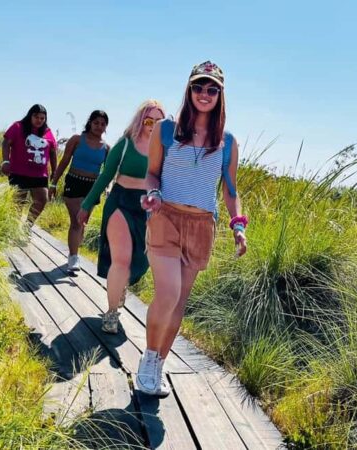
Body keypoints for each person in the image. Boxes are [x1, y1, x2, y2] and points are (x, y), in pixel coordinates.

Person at [136, 61, 247, 396]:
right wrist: (153, 193)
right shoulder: (167, 130)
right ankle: (148, 357)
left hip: (202, 226)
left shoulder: (227, 141)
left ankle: (159, 362)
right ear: (189, 90)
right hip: (166, 217)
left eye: (212, 89)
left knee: (180, 301)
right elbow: (152, 173)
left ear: (220, 96)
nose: (204, 94)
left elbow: (230, 189)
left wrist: (237, 224)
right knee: (167, 293)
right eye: (199, 87)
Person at [78, 100, 166, 334]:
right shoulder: (126, 144)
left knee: (139, 261)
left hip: (148, 209)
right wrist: (87, 205)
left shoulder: (167, 150)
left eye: (159, 121)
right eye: (149, 120)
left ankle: (121, 285)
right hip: (121, 202)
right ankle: (111, 313)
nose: (153, 125)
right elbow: (105, 175)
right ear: (140, 121)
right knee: (121, 260)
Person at [50, 110, 109, 271]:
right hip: (74, 183)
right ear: (89, 123)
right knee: (77, 221)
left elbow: (108, 172)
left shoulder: (106, 148)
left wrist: (106, 189)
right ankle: (74, 257)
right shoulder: (77, 140)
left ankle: (73, 252)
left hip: (92, 187)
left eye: (102, 124)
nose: (99, 126)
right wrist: (53, 183)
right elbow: (64, 162)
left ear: (106, 127)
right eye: (96, 122)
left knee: (82, 223)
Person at [1, 104, 58, 225]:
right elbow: (6, 143)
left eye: (42, 118)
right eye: (36, 117)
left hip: (40, 174)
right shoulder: (18, 127)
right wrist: (5, 161)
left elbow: (53, 152)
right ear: (30, 116)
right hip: (19, 172)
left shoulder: (47, 132)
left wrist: (55, 171)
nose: (39, 120)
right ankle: (13, 228)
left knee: (42, 199)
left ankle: (28, 225)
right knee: (18, 201)